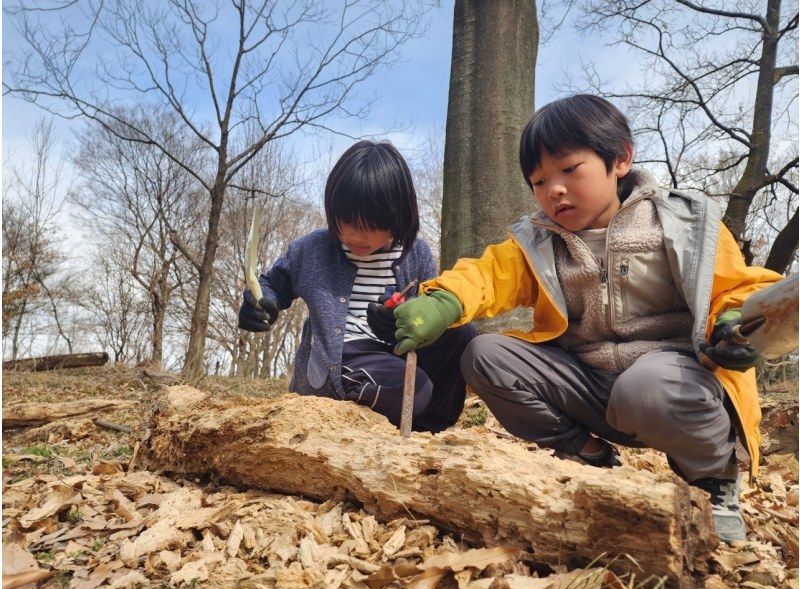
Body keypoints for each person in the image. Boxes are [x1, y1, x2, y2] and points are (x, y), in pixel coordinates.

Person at [388, 95, 782, 542]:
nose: (553, 189)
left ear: (620, 159)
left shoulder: (682, 222)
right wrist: (443, 301)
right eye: (539, 181)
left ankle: (712, 479)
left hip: (672, 385)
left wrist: (736, 322)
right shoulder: (538, 242)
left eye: (569, 170)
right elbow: (487, 275)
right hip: (588, 384)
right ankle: (587, 453)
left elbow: (739, 285)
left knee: (648, 386)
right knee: (484, 353)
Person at [238, 140, 476, 433]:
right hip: (340, 356)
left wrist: (404, 319)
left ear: (398, 218)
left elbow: (429, 312)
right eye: (347, 222)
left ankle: (426, 430)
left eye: (372, 226)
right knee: (414, 390)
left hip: (393, 356)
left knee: (461, 333)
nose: (355, 236)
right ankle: (348, 411)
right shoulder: (313, 250)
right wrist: (258, 303)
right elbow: (272, 285)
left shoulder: (416, 255)